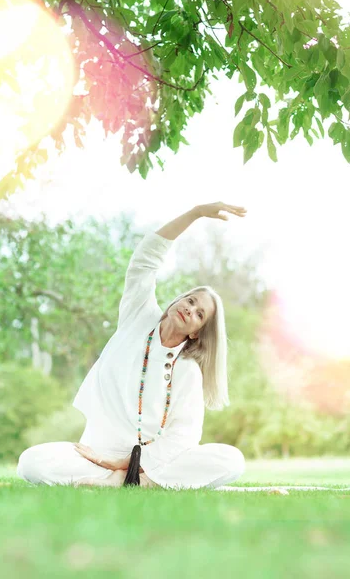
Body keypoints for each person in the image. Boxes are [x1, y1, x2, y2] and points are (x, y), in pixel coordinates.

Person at [17, 202, 247, 490]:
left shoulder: (187, 370)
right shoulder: (138, 315)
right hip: (95, 457)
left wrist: (130, 464)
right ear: (178, 299)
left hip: (151, 464)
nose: (190, 310)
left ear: (197, 334)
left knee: (231, 460)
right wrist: (196, 213)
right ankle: (120, 482)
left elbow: (183, 437)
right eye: (190, 301)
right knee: (31, 461)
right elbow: (145, 260)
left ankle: (136, 481)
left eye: (200, 314)